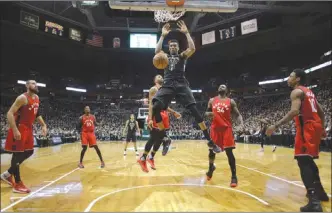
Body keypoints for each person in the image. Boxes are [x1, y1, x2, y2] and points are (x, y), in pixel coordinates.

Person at [152, 20, 221, 153]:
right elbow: (156, 51)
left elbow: (193, 49)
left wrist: (187, 33)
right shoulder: (164, 57)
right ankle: (165, 138)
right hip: (167, 85)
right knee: (155, 107)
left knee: (195, 112)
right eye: (170, 45)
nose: (172, 47)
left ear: (177, 48)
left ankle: (210, 141)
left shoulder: (182, 56)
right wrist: (162, 36)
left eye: (174, 46)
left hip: (181, 84)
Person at [266, 69, 329, 212]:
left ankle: (314, 202)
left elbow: (294, 111)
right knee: (309, 161)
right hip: (315, 125)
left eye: (291, 76)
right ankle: (320, 192)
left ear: (298, 79)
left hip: (306, 127)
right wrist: (322, 128)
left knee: (303, 161)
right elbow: (321, 112)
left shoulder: (296, 92)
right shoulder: (309, 92)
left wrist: (275, 125)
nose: (288, 78)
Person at [0, 80, 47, 193]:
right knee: (17, 154)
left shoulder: (36, 98)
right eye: (32, 83)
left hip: (29, 128)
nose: (35, 85)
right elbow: (10, 113)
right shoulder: (22, 98)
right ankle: (18, 184)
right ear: (27, 86)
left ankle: (7, 174)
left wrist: (44, 125)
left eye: (36, 84)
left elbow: (37, 113)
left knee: (29, 151)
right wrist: (15, 130)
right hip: (19, 127)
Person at [138, 75, 181, 172]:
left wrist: (174, 112)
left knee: (159, 139)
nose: (160, 76)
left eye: (161, 76)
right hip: (156, 114)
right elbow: (151, 104)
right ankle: (144, 158)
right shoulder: (154, 89)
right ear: (155, 80)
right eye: (158, 76)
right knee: (154, 137)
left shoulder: (164, 90)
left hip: (164, 115)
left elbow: (165, 106)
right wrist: (149, 118)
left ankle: (151, 157)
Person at [205, 84, 244, 187]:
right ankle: (210, 169)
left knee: (229, 153)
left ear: (227, 90)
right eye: (220, 86)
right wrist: (208, 114)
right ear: (218, 90)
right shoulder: (212, 100)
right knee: (211, 152)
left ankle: (234, 176)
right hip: (215, 129)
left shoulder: (231, 101)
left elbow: (238, 115)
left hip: (226, 128)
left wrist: (241, 123)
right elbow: (206, 112)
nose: (222, 86)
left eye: (224, 86)